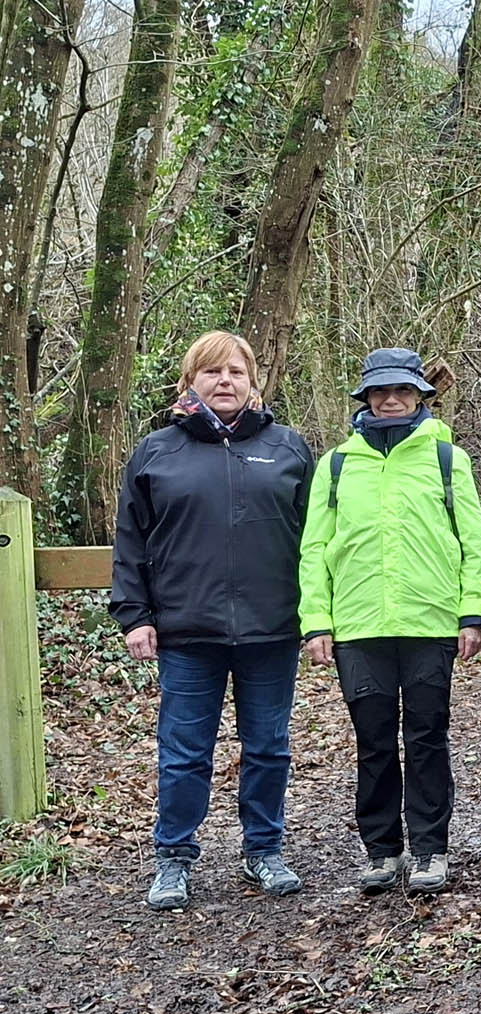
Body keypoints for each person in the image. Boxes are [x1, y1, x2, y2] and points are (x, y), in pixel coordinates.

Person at [111, 331, 315, 910]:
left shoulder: (288, 448)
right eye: (212, 372)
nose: (225, 381)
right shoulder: (158, 451)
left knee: (269, 747)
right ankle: (173, 857)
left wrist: (317, 617)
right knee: (184, 752)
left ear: (253, 382)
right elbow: (130, 541)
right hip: (186, 630)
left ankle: (263, 850)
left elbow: (317, 542)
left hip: (271, 629)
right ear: (190, 381)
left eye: (236, 372)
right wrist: (135, 614)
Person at [300, 348, 481, 896]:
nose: (391, 400)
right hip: (358, 624)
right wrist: (316, 621)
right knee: (374, 740)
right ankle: (382, 851)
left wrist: (472, 612)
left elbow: (471, 542)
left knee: (427, 736)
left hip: (431, 621)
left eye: (402, 390)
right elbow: (314, 548)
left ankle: (430, 848)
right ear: (365, 398)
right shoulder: (337, 464)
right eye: (380, 392)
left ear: (419, 396)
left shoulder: (447, 459)